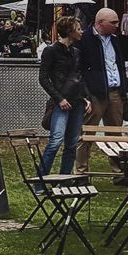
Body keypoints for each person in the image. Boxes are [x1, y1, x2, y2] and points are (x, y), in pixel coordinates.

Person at [76, 8, 128, 172]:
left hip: (114, 91)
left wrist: (124, 90)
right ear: (100, 23)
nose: (117, 25)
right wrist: (85, 93)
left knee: (115, 133)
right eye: (113, 22)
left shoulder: (116, 40)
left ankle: (118, 171)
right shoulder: (84, 39)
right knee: (86, 133)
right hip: (94, 93)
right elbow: (79, 69)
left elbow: (119, 64)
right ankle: (81, 171)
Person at [36, 16, 87, 182]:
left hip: (77, 100)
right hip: (61, 101)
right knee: (55, 141)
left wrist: (86, 98)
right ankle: (41, 181)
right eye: (78, 29)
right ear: (70, 31)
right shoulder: (51, 51)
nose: (81, 32)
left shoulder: (77, 52)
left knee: (71, 144)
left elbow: (80, 76)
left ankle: (64, 180)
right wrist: (59, 98)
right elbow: (43, 78)